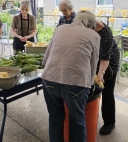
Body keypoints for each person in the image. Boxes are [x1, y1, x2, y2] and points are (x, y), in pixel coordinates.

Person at [41, 10, 100, 142]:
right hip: (76, 83)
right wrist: (89, 84)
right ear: (91, 25)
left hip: (50, 78)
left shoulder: (60, 28)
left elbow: (46, 57)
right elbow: (93, 63)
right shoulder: (94, 35)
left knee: (55, 119)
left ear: (75, 19)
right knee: (77, 121)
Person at [95, 20, 120, 135]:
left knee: (107, 91)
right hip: (95, 61)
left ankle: (109, 122)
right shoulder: (85, 28)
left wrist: (101, 73)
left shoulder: (105, 33)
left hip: (109, 64)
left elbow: (105, 58)